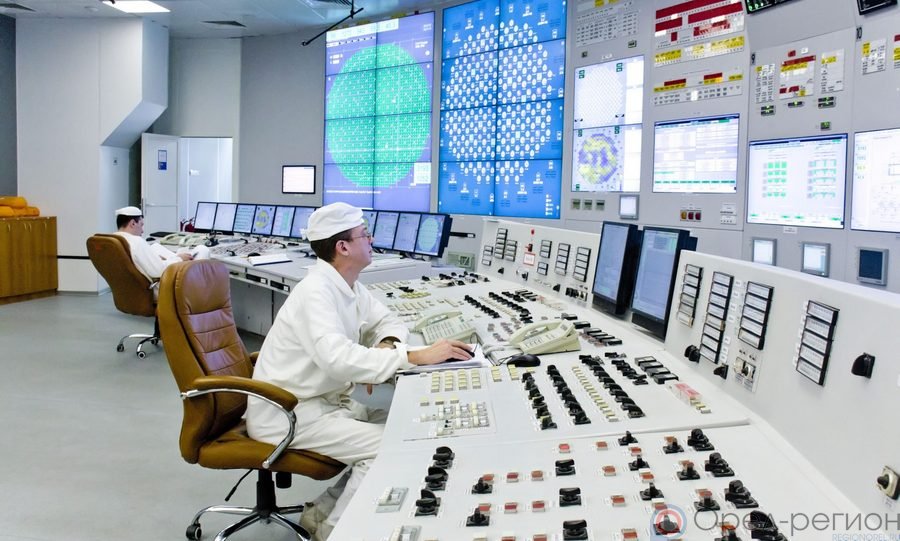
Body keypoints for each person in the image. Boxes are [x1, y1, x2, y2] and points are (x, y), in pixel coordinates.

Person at [245, 202, 472, 540]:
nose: (372, 239)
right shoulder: (315, 292)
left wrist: (388, 345)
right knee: (389, 447)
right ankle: (336, 531)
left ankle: (321, 514)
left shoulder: (347, 285)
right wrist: (414, 356)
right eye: (365, 234)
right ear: (343, 247)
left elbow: (388, 321)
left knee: (405, 422)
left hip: (325, 401)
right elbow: (338, 359)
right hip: (289, 412)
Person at [113, 206, 209, 283]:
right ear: (133, 223)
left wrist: (158, 259)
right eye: (141, 225)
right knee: (202, 249)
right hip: (162, 285)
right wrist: (179, 259)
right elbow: (158, 271)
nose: (142, 231)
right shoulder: (136, 241)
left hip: (138, 284)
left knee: (155, 247)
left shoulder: (114, 240)